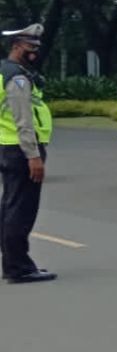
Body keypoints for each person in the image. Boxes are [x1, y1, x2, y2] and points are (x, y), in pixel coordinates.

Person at [1, 24, 55, 284]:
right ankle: (19, 267)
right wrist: (33, 156)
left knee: (10, 206)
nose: (34, 52)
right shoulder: (17, 78)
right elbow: (23, 120)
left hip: (7, 147)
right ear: (17, 46)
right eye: (30, 47)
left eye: (36, 47)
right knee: (20, 210)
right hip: (21, 150)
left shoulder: (3, 72)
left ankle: (12, 263)